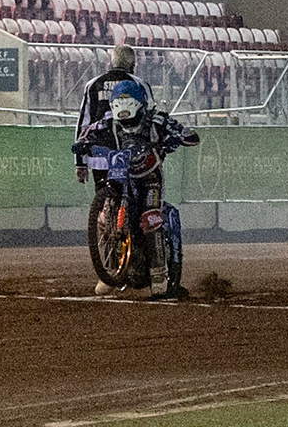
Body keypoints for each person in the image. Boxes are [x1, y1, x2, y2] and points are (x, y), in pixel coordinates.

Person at [71, 79, 200, 299]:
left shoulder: (156, 120)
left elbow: (186, 134)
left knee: (150, 218)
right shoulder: (108, 121)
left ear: (139, 104)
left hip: (149, 177)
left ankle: (159, 276)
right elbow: (88, 131)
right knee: (105, 217)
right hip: (120, 174)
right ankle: (110, 272)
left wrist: (176, 139)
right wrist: (82, 144)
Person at [74, 44, 149, 186]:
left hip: (100, 157)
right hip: (131, 155)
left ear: (111, 62)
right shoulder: (139, 84)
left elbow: (83, 124)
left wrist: (80, 162)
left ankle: (103, 208)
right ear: (133, 65)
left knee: (103, 198)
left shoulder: (93, 84)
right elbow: (149, 118)